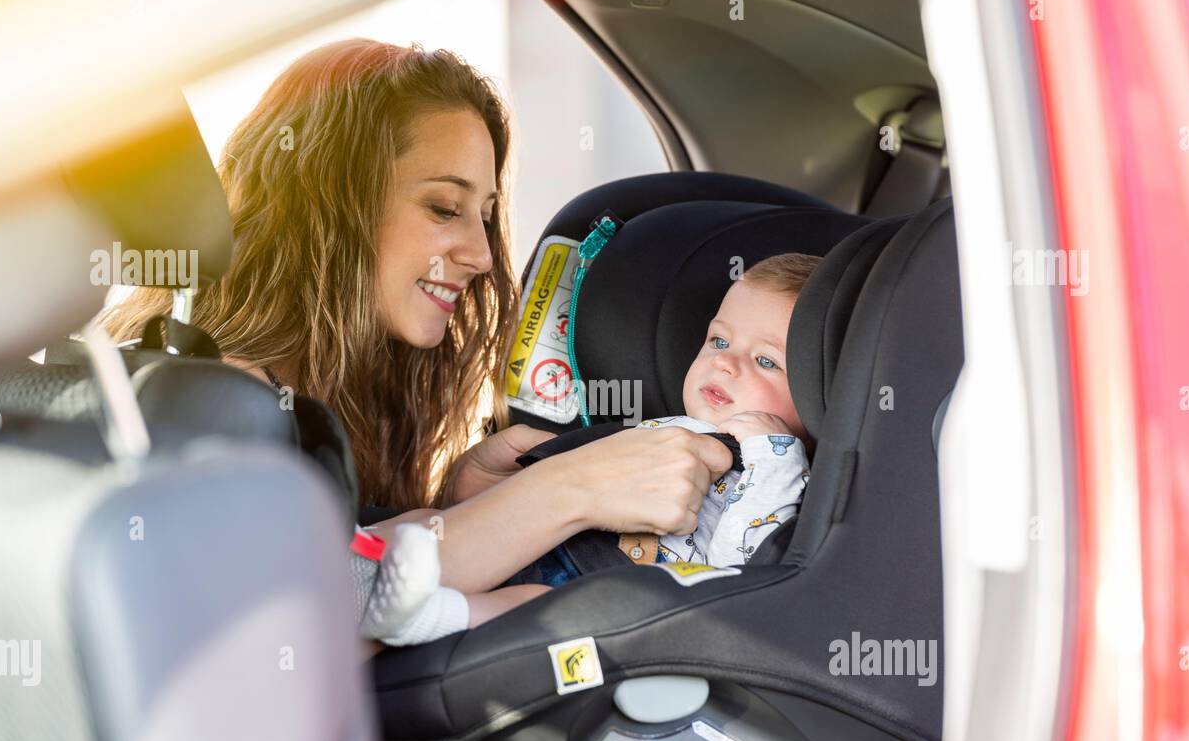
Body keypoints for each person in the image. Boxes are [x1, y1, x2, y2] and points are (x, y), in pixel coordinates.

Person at [101, 39, 731, 645]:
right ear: (329, 203)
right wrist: (573, 488)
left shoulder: (320, 397)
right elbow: (309, 602)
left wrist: (460, 504)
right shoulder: (213, 405)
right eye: (442, 207)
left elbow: (347, 554)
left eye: (483, 215)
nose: (483, 256)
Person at [512, 252, 821, 588]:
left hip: (615, 588)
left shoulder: (775, 474)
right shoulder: (668, 426)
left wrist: (776, 458)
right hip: (545, 542)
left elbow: (735, 574)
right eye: (719, 341)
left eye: (766, 361)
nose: (724, 362)